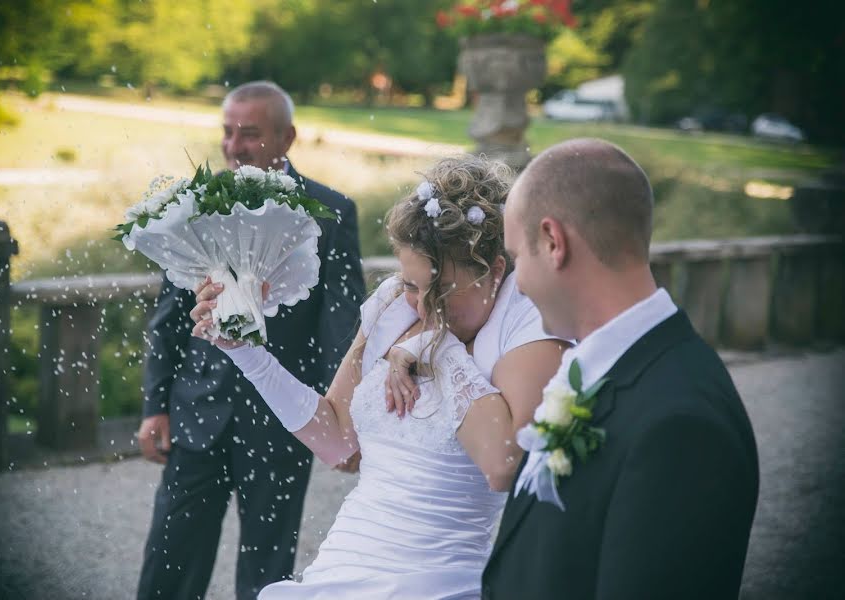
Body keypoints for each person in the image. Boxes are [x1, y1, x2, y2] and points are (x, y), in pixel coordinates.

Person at [191, 156, 567, 598]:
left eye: (442, 291)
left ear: (496, 271)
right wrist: (248, 355)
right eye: (412, 284)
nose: (424, 307)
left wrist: (434, 347)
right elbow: (336, 440)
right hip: (343, 561)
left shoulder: (526, 320)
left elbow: (503, 464)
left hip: (434, 582)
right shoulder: (390, 305)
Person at [482, 138, 760, 599]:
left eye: (516, 259)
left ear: (554, 242)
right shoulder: (604, 369)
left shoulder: (680, 426)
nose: (519, 284)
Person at [136, 81, 365, 600]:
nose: (234, 146)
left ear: (288, 137)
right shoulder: (195, 208)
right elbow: (170, 318)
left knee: (268, 570)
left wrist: (338, 413)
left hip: (283, 421)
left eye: (250, 134)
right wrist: (155, 405)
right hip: (197, 413)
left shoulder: (329, 212)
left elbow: (340, 325)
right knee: (170, 559)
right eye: (228, 131)